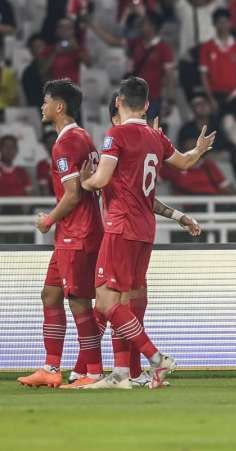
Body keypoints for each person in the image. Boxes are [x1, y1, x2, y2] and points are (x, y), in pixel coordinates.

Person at [79, 76, 215, 389]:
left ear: (117, 103)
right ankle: (123, 375)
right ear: (147, 105)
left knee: (103, 301)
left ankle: (156, 358)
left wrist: (83, 182)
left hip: (121, 225)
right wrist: (199, 148)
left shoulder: (116, 135)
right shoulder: (156, 137)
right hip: (144, 230)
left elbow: (100, 180)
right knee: (129, 299)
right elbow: (185, 163)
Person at [17, 80, 104, 389]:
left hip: (77, 234)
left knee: (79, 302)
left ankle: (92, 372)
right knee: (50, 295)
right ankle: (51, 367)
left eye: (46, 101)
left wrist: (48, 220)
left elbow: (72, 194)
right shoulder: (84, 138)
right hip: (74, 234)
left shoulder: (65, 144)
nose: (42, 106)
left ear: (59, 107)